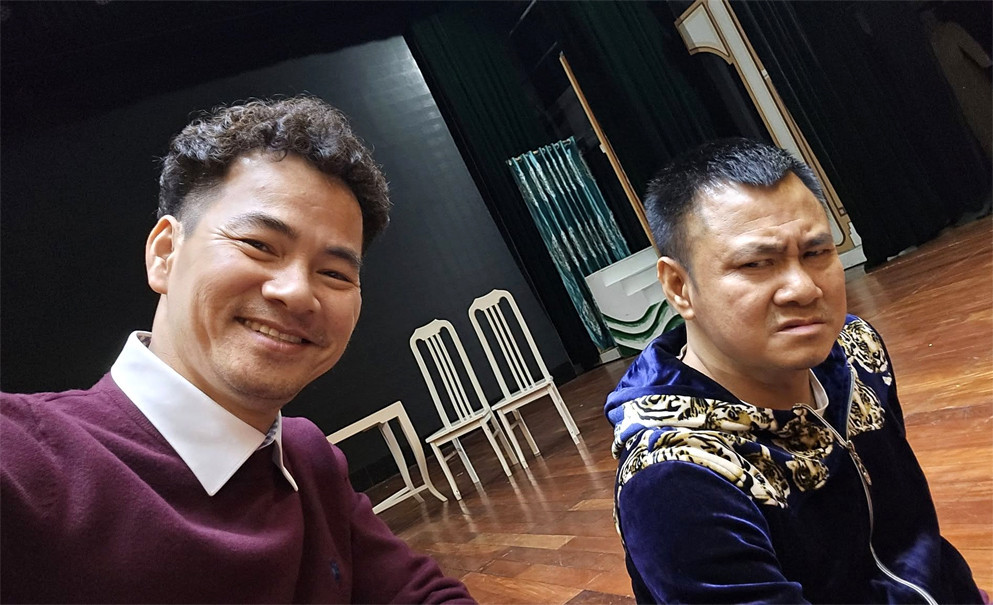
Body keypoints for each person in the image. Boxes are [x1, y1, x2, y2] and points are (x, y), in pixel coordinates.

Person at [1, 96, 474, 604]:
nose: (298, 292)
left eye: (335, 273)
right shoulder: (28, 461)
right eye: (259, 245)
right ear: (165, 254)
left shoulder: (305, 457)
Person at [605, 138, 984, 604]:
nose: (803, 289)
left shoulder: (855, 346)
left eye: (815, 253)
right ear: (680, 286)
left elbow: (911, 532)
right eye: (757, 263)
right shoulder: (675, 479)